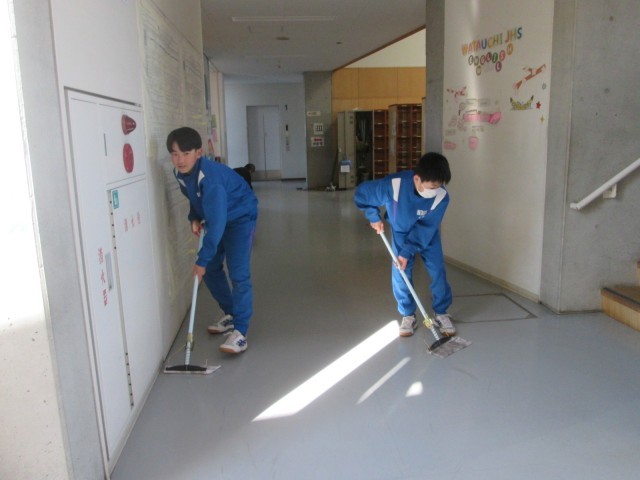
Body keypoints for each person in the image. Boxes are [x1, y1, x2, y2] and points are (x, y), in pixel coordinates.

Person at [167, 127, 258, 354]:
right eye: (175, 154)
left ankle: (240, 332)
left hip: (240, 216)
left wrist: (201, 260)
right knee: (211, 270)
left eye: (186, 153)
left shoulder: (211, 180)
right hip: (218, 215)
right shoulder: (180, 173)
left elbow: (217, 224)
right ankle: (231, 313)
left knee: (238, 273)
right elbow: (194, 197)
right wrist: (194, 217)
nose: (180, 160)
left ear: (198, 153)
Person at [354, 152, 455, 338]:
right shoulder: (395, 185)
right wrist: (373, 217)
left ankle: (441, 312)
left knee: (438, 270)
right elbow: (362, 194)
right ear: (417, 179)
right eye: (432, 187)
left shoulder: (441, 196)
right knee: (401, 273)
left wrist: (409, 251)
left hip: (426, 234)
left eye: (439, 186)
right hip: (401, 233)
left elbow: (427, 227)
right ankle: (408, 315)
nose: (435, 191)